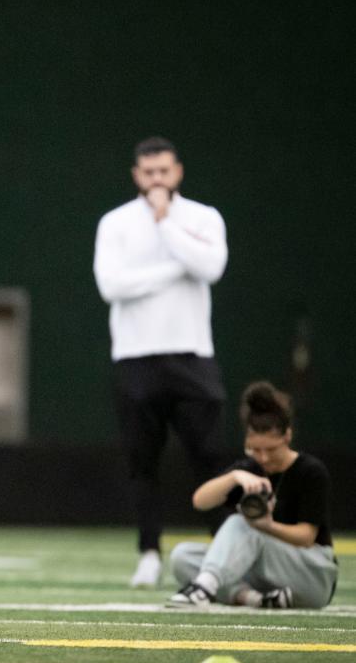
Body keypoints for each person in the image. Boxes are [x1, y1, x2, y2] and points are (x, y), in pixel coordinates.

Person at [93, 136, 230, 588]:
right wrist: (175, 269)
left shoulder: (202, 217)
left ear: (177, 172)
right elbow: (111, 286)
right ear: (136, 175)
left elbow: (211, 268)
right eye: (148, 173)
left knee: (209, 457)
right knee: (142, 462)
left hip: (192, 356)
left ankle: (226, 554)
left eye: (164, 172)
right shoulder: (115, 223)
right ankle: (149, 552)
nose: (156, 180)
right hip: (136, 359)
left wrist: (167, 222)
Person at [167, 381, 337, 609]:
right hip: (268, 579)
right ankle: (253, 599)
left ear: (287, 436)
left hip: (311, 575)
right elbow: (200, 501)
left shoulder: (310, 470)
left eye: (271, 449)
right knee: (182, 557)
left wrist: (266, 526)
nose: (264, 458)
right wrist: (235, 477)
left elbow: (307, 537)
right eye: (256, 450)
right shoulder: (250, 469)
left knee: (243, 523)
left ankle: (204, 588)